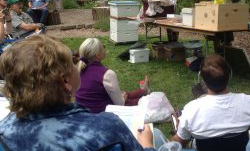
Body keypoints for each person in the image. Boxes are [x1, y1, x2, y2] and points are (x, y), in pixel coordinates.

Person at [0, 35, 155, 151]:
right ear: (65, 81)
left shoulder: (5, 129)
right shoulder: (107, 128)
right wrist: (147, 145)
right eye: (72, 63)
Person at [171, 55, 250, 150]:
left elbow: (179, 142)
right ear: (229, 76)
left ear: (203, 81)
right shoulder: (248, 102)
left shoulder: (191, 110)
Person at [75, 38, 150, 113]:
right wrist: (123, 98)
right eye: (103, 47)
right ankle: (147, 99)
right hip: (102, 115)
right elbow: (120, 104)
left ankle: (143, 91)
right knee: (128, 101)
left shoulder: (78, 71)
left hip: (82, 113)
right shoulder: (107, 74)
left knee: (125, 94)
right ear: (98, 55)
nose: (104, 48)